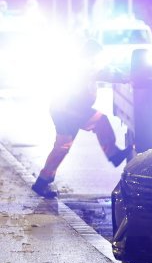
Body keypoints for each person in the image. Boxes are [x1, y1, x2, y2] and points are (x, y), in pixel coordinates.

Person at [32, 39, 133, 199]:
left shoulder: (82, 65)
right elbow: (105, 73)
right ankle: (113, 154)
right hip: (70, 109)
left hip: (65, 109)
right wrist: (126, 77)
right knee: (100, 121)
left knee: (62, 146)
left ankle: (42, 182)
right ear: (91, 54)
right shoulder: (84, 66)